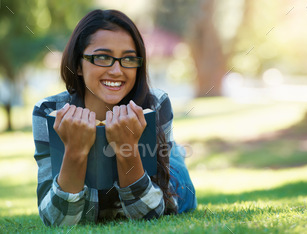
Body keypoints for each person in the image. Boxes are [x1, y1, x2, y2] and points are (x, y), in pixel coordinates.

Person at [32, 9, 197, 226]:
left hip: (168, 170)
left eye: (128, 59)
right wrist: (75, 152)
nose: (117, 70)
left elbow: (151, 214)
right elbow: (56, 220)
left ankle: (176, 153)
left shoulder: (155, 104)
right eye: (102, 57)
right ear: (78, 64)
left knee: (180, 183)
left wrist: (126, 149)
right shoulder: (49, 111)